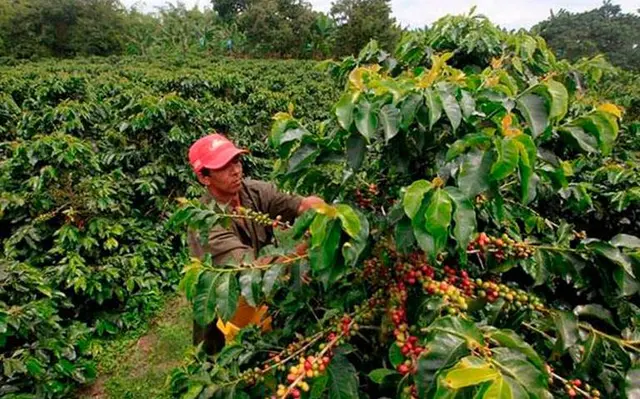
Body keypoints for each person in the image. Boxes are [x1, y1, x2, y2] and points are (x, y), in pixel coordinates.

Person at [186, 133, 325, 354]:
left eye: (236, 161)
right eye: (224, 167)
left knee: (266, 348)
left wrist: (321, 211)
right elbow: (252, 268)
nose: (236, 170)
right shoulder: (203, 224)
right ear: (205, 178)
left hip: (259, 295)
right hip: (228, 302)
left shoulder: (254, 191)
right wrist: (307, 245)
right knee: (226, 358)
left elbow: (297, 204)